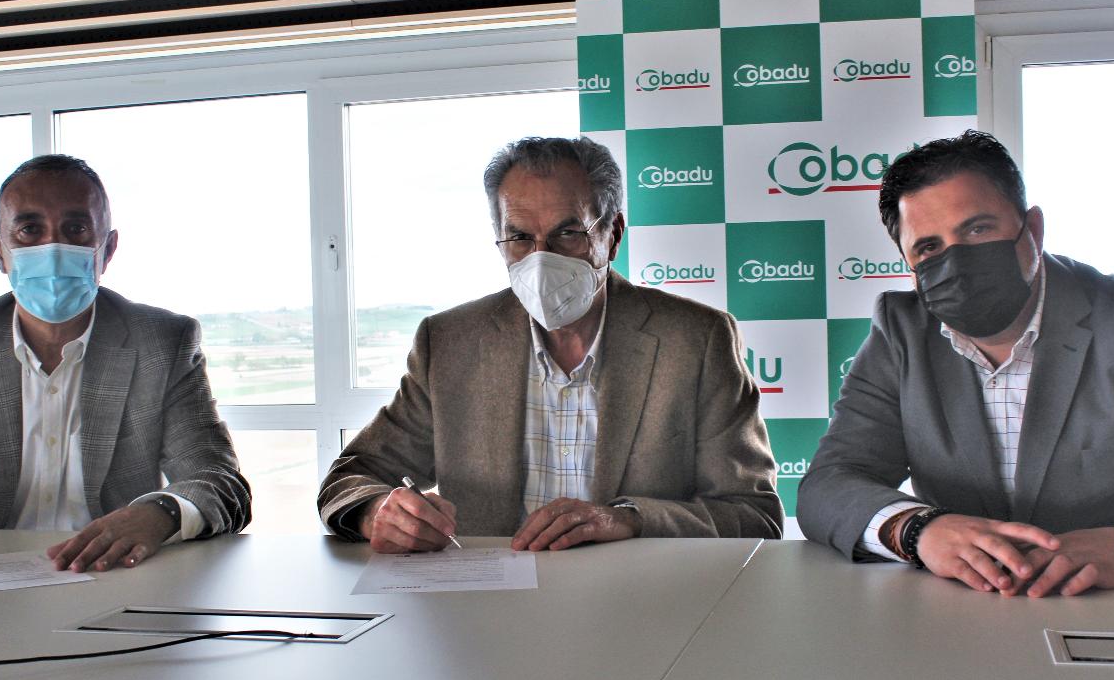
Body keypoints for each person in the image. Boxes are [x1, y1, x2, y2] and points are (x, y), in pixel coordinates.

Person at [318, 137, 782, 553]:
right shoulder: (450, 343)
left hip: (644, 610)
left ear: (612, 234)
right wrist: (376, 511)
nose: (541, 259)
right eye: (520, 237)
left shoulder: (695, 339)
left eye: (567, 233)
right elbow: (350, 477)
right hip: (487, 615)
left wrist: (629, 519)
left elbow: (753, 514)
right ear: (499, 241)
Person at [0, 155, 251, 570]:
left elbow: (220, 483)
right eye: (29, 230)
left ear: (106, 250)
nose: (52, 250)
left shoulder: (162, 343)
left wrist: (158, 514)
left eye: (76, 229)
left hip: (115, 578)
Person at [798, 130, 1114, 597]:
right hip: (963, 615)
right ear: (910, 264)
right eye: (929, 248)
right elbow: (829, 485)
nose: (958, 260)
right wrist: (917, 530)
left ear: (1032, 229)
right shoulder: (902, 330)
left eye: (978, 229)